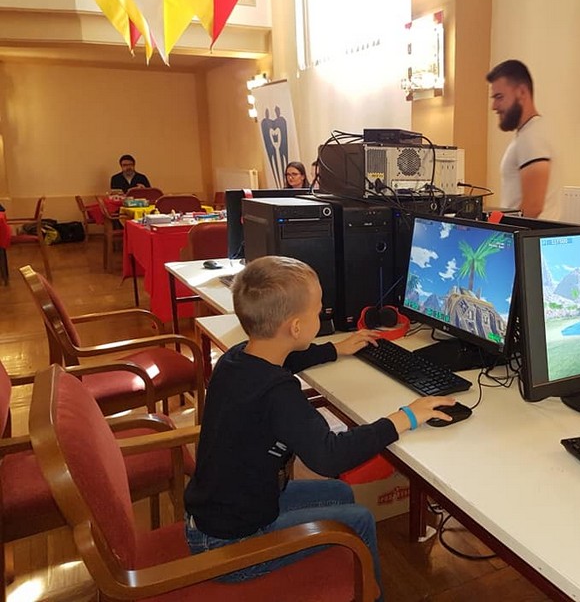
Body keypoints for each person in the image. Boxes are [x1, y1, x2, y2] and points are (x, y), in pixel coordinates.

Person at [183, 256, 456, 597]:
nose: (323, 314)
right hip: (232, 547)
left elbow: (287, 356)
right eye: (318, 311)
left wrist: (333, 349)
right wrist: (405, 417)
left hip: (220, 514)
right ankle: (372, 596)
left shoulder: (236, 359)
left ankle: (348, 578)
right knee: (359, 519)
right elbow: (329, 456)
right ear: (297, 327)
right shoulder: (278, 393)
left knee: (340, 494)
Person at [486, 59, 556, 219]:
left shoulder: (532, 137)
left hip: (526, 233)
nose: (494, 106)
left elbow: (533, 206)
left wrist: (497, 230)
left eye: (499, 97)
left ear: (522, 92)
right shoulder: (530, 133)